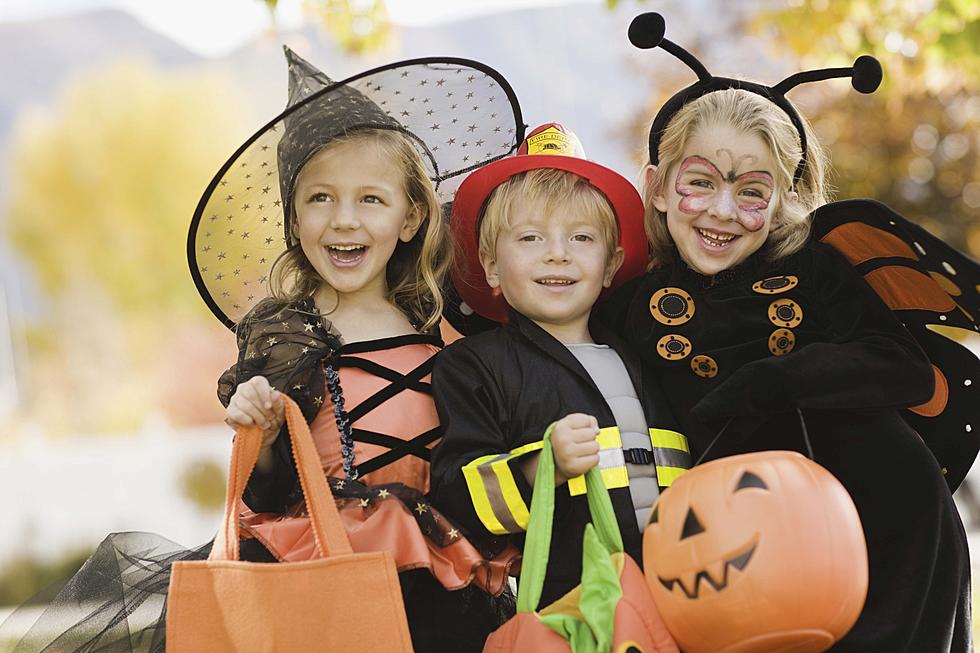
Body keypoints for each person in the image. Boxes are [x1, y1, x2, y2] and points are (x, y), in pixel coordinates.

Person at [2, 46, 524, 653]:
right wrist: (269, 432)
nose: (344, 220)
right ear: (294, 220)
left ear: (411, 218)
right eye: (320, 198)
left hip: (445, 572)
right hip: (327, 573)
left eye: (370, 199)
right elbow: (267, 495)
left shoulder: (444, 325)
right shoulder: (289, 337)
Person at [604, 13, 974, 651]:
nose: (723, 212)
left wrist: (769, 381)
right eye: (701, 183)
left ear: (782, 201)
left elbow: (903, 367)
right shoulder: (628, 305)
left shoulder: (815, 268)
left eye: (752, 191)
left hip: (885, 524)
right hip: (735, 546)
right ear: (659, 187)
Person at [429, 122, 691, 607]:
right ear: (489, 265)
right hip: (571, 606)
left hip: (682, 589)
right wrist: (538, 468)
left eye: (581, 238)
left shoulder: (649, 356)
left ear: (611, 264)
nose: (557, 254)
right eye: (529, 238)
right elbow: (453, 499)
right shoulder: (472, 368)